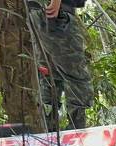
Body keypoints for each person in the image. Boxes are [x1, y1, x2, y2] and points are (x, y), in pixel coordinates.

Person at [27, 0, 93, 131]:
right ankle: (77, 130)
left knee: (50, 74)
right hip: (55, 14)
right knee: (76, 75)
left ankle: (47, 129)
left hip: (38, 13)